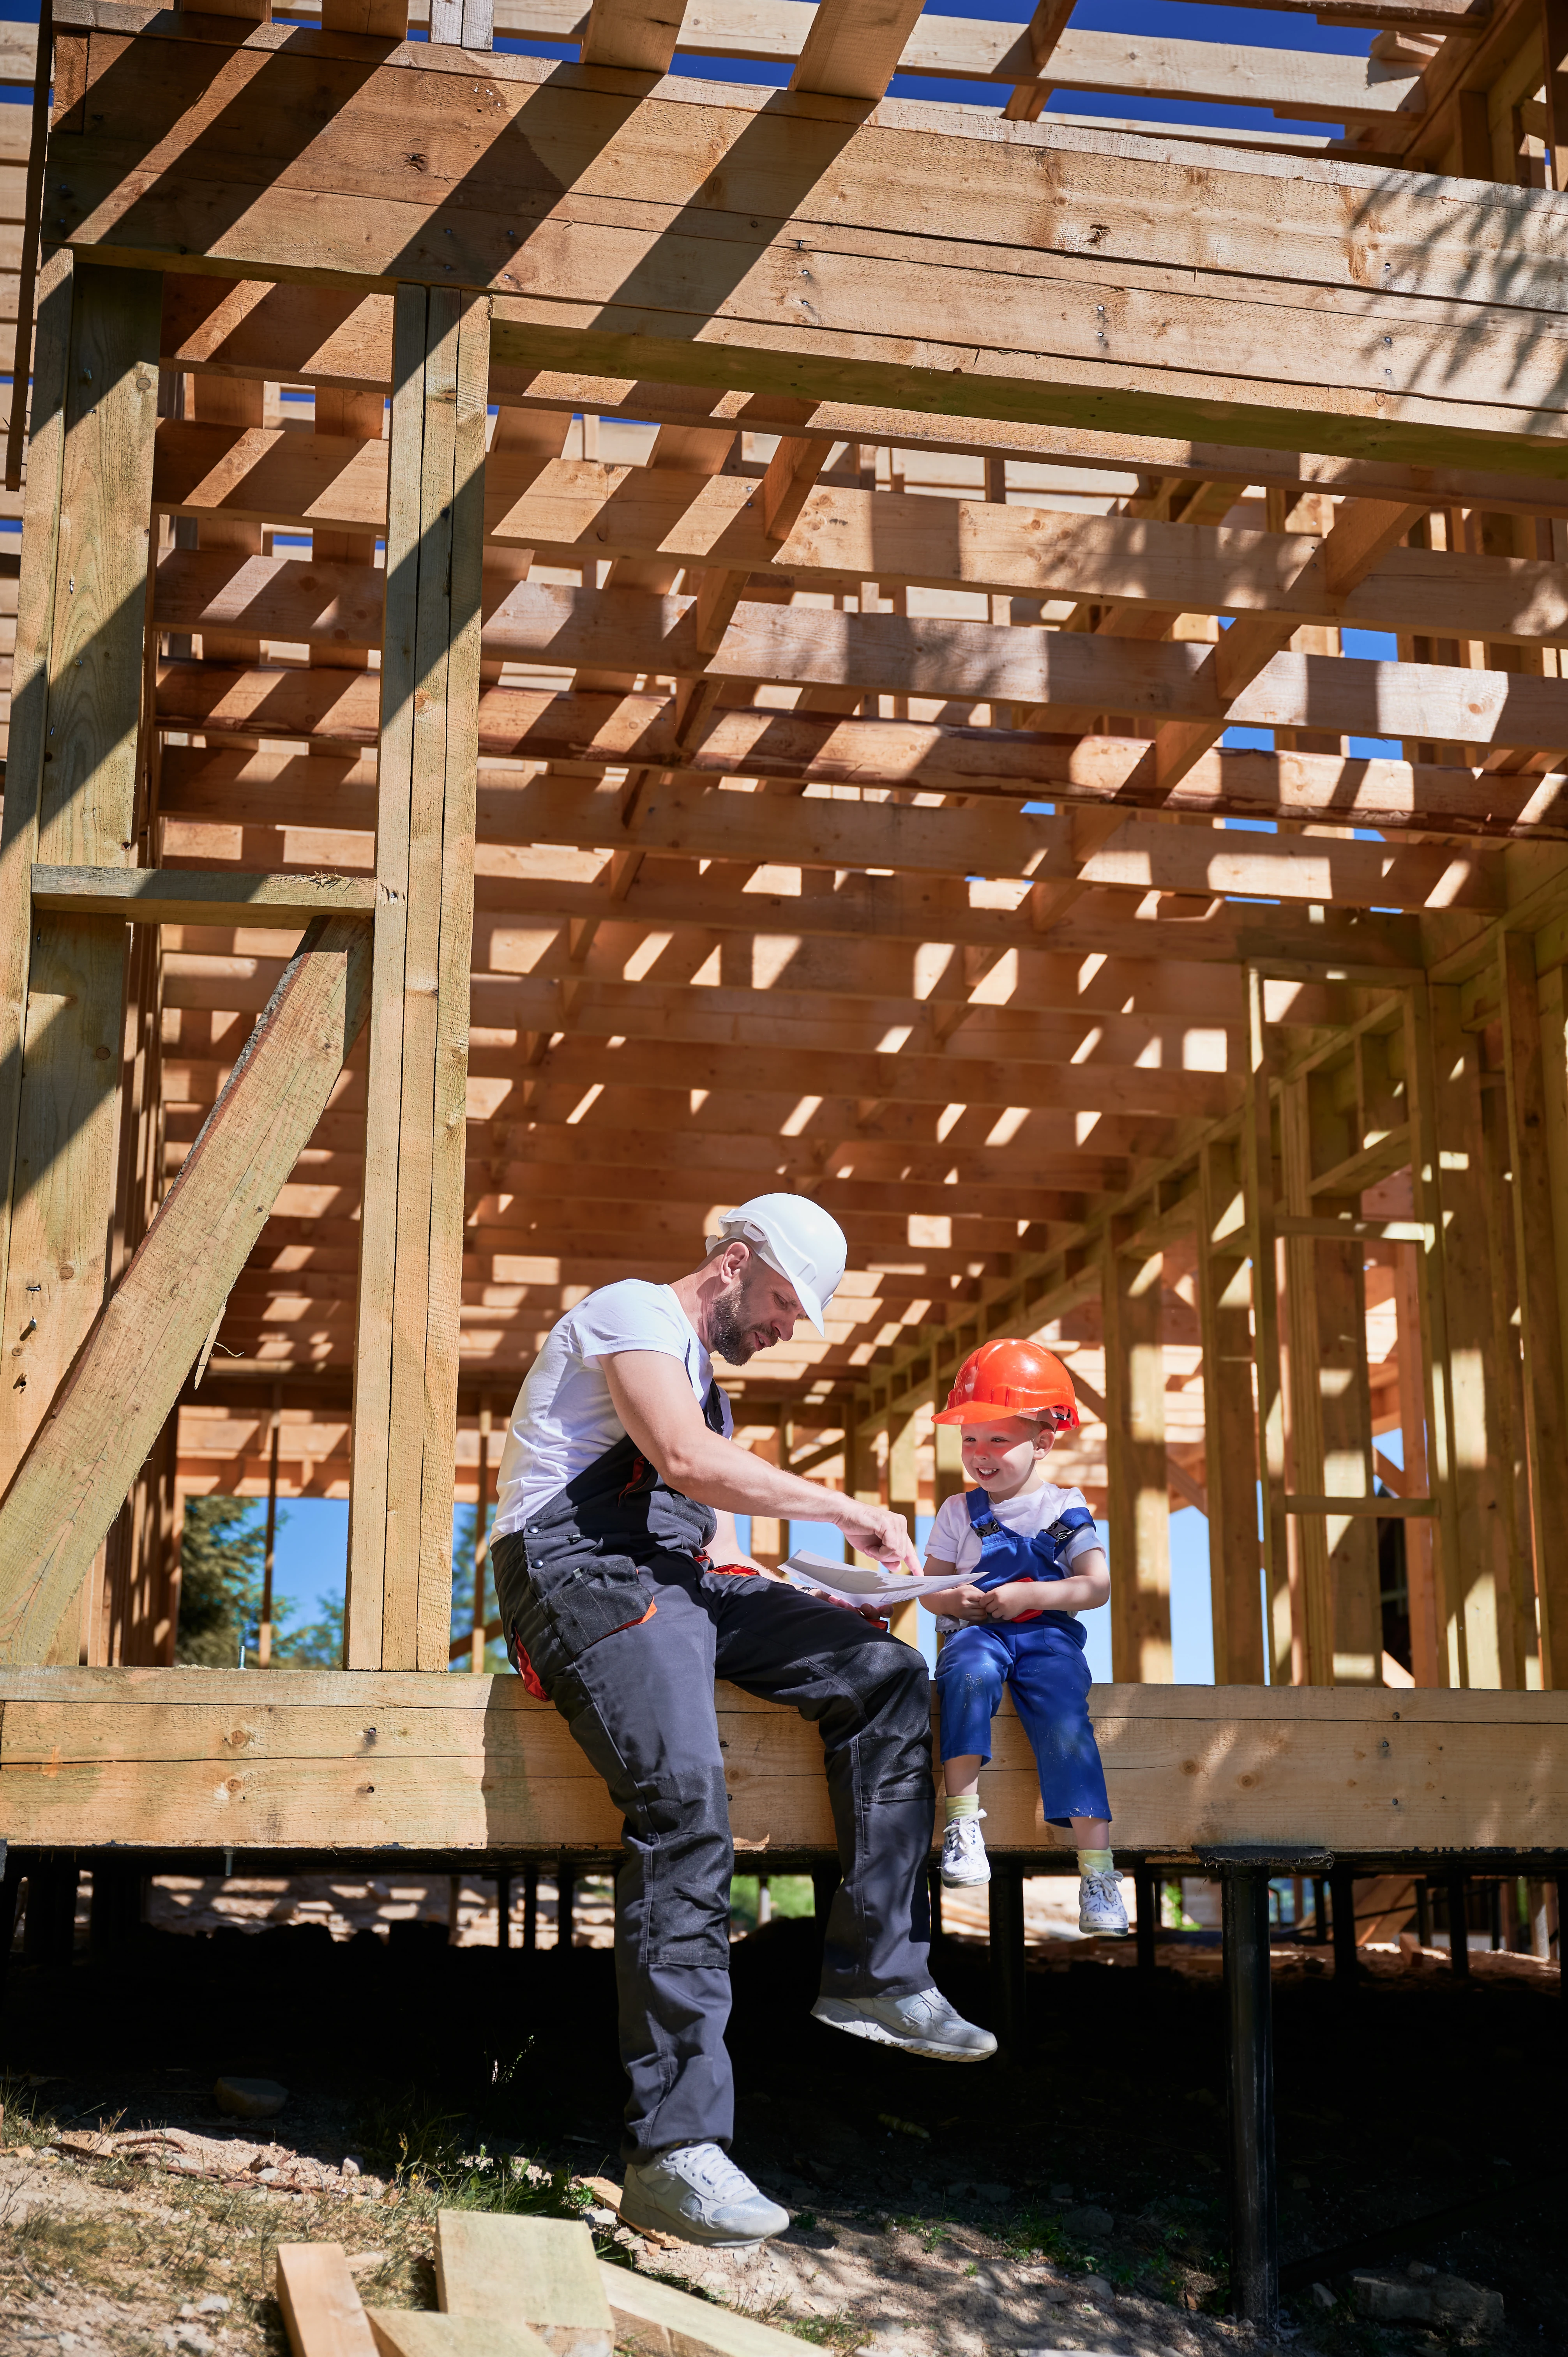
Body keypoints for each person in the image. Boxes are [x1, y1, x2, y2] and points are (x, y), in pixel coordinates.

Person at [488, 1195, 996, 2253]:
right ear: (732, 1265)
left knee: (885, 1671)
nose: (787, 1328)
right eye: (781, 1304)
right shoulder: (632, 1314)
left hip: (671, 1580)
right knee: (684, 1807)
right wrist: (844, 1508)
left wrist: (827, 1600)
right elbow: (678, 1460)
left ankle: (881, 1977)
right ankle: (672, 2153)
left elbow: (707, 1549)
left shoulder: (708, 1390)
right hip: (577, 1572)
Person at [919, 1339, 1128, 1938]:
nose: (980, 1455)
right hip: (979, 1633)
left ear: (1043, 1441)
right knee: (965, 1674)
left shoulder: (1064, 1507)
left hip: (1047, 1640)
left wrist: (1028, 1595)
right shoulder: (959, 1512)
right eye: (969, 1440)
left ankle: (1098, 1872)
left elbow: (1095, 1587)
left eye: (997, 1440)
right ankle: (963, 1824)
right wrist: (954, 1600)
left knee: (1067, 1718)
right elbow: (929, 1589)